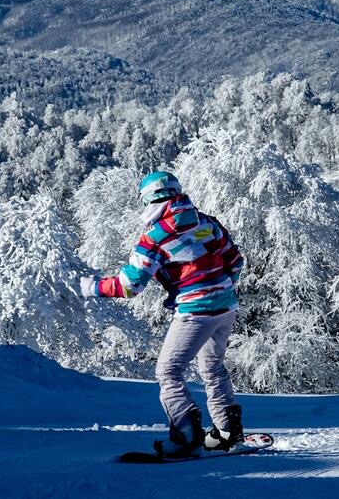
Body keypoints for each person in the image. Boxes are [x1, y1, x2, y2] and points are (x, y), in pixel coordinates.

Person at [80, 171, 246, 458]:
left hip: (195, 310)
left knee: (168, 372)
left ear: (146, 200)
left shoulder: (154, 238)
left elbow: (129, 286)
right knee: (213, 367)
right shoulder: (207, 222)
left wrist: (91, 288)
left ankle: (186, 438)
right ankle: (227, 433)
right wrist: (218, 287)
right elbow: (235, 261)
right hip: (226, 306)